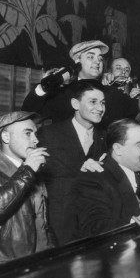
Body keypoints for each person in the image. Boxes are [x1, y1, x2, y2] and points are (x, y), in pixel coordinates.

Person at [37, 79, 108, 245]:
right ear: (75, 104)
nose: (100, 108)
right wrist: (81, 169)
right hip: (60, 226)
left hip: (95, 224)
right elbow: (47, 178)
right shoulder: (49, 134)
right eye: (93, 102)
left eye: (103, 103)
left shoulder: (107, 137)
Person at [0, 111, 57, 264]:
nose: (36, 140)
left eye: (35, 133)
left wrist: (53, 251)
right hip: (7, 266)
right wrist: (28, 170)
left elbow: (43, 220)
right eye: (28, 133)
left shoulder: (31, 170)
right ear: (6, 137)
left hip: (39, 261)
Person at [22, 40, 137, 128]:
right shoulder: (62, 93)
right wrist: (43, 88)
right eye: (91, 57)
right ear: (78, 62)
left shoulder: (113, 94)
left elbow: (138, 112)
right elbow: (28, 112)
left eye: (100, 58)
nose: (97, 61)